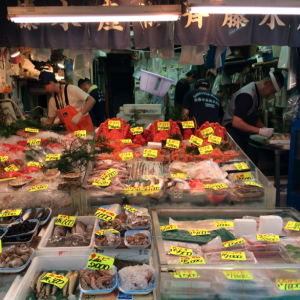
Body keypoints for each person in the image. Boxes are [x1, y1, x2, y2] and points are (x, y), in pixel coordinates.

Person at [222, 68, 284, 153]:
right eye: (272, 91)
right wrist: (260, 131)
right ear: (266, 83)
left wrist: (265, 129)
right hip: (232, 137)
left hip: (242, 136)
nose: (271, 95)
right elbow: (236, 122)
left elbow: (253, 117)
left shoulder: (258, 94)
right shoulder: (247, 95)